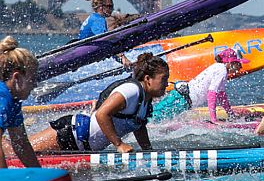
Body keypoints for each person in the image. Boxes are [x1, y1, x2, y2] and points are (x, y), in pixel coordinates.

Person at [27, 53, 169, 153]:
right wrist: (118, 144)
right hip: (71, 133)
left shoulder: (145, 101)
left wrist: (148, 151)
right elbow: (102, 114)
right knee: (15, 152)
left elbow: (139, 127)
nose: (167, 84)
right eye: (163, 79)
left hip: (84, 148)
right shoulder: (131, 91)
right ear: (148, 78)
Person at [151, 48, 249, 124]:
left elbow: (222, 96)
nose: (240, 67)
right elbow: (212, 94)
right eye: (238, 64)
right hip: (181, 99)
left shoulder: (221, 69)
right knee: (152, 118)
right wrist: (214, 120)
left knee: (156, 117)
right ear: (230, 62)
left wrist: (231, 114)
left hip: (183, 99)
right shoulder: (221, 70)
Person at [0, 36, 40, 168]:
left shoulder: (14, 101)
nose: (35, 85)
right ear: (17, 77)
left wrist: (39, 176)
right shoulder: (3, 98)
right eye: (32, 79)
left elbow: (21, 143)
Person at [77, 0, 132, 67]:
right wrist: (123, 57)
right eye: (109, 6)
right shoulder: (98, 20)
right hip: (82, 53)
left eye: (112, 6)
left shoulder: (94, 17)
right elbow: (106, 41)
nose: (112, 9)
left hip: (82, 49)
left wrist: (122, 61)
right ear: (101, 7)